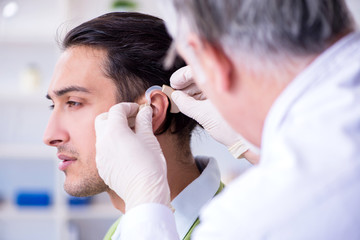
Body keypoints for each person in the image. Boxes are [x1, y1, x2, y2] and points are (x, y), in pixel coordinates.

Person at [94, 0, 360, 239]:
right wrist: (250, 147)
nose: (51, 136)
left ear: (213, 59)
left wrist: (144, 203)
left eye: (74, 102)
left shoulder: (254, 221)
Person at [42, 12, 245, 240]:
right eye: (53, 106)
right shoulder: (123, 228)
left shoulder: (237, 229)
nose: (50, 136)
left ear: (150, 112)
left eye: (74, 103)